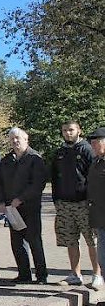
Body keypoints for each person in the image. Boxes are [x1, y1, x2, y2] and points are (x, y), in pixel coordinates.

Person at [52, 121, 102, 287]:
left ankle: (97, 274)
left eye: (71, 130)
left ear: (79, 130)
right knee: (70, 240)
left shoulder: (87, 150)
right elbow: (54, 178)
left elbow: (94, 177)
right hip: (65, 204)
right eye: (65, 130)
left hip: (84, 203)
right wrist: (56, 201)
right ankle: (75, 274)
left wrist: (90, 201)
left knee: (91, 240)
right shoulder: (60, 152)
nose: (68, 133)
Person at [0, 127, 48, 284]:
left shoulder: (35, 158)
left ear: (26, 139)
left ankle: (41, 275)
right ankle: (24, 274)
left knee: (34, 241)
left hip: (30, 207)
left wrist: (22, 198)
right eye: (12, 139)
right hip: (12, 210)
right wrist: (1, 201)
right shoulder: (6, 160)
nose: (15, 141)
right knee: (17, 243)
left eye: (18, 138)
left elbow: (38, 183)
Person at [86, 128, 105, 306]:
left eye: (96, 141)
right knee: (103, 258)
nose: (93, 145)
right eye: (91, 142)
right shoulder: (96, 161)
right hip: (99, 217)